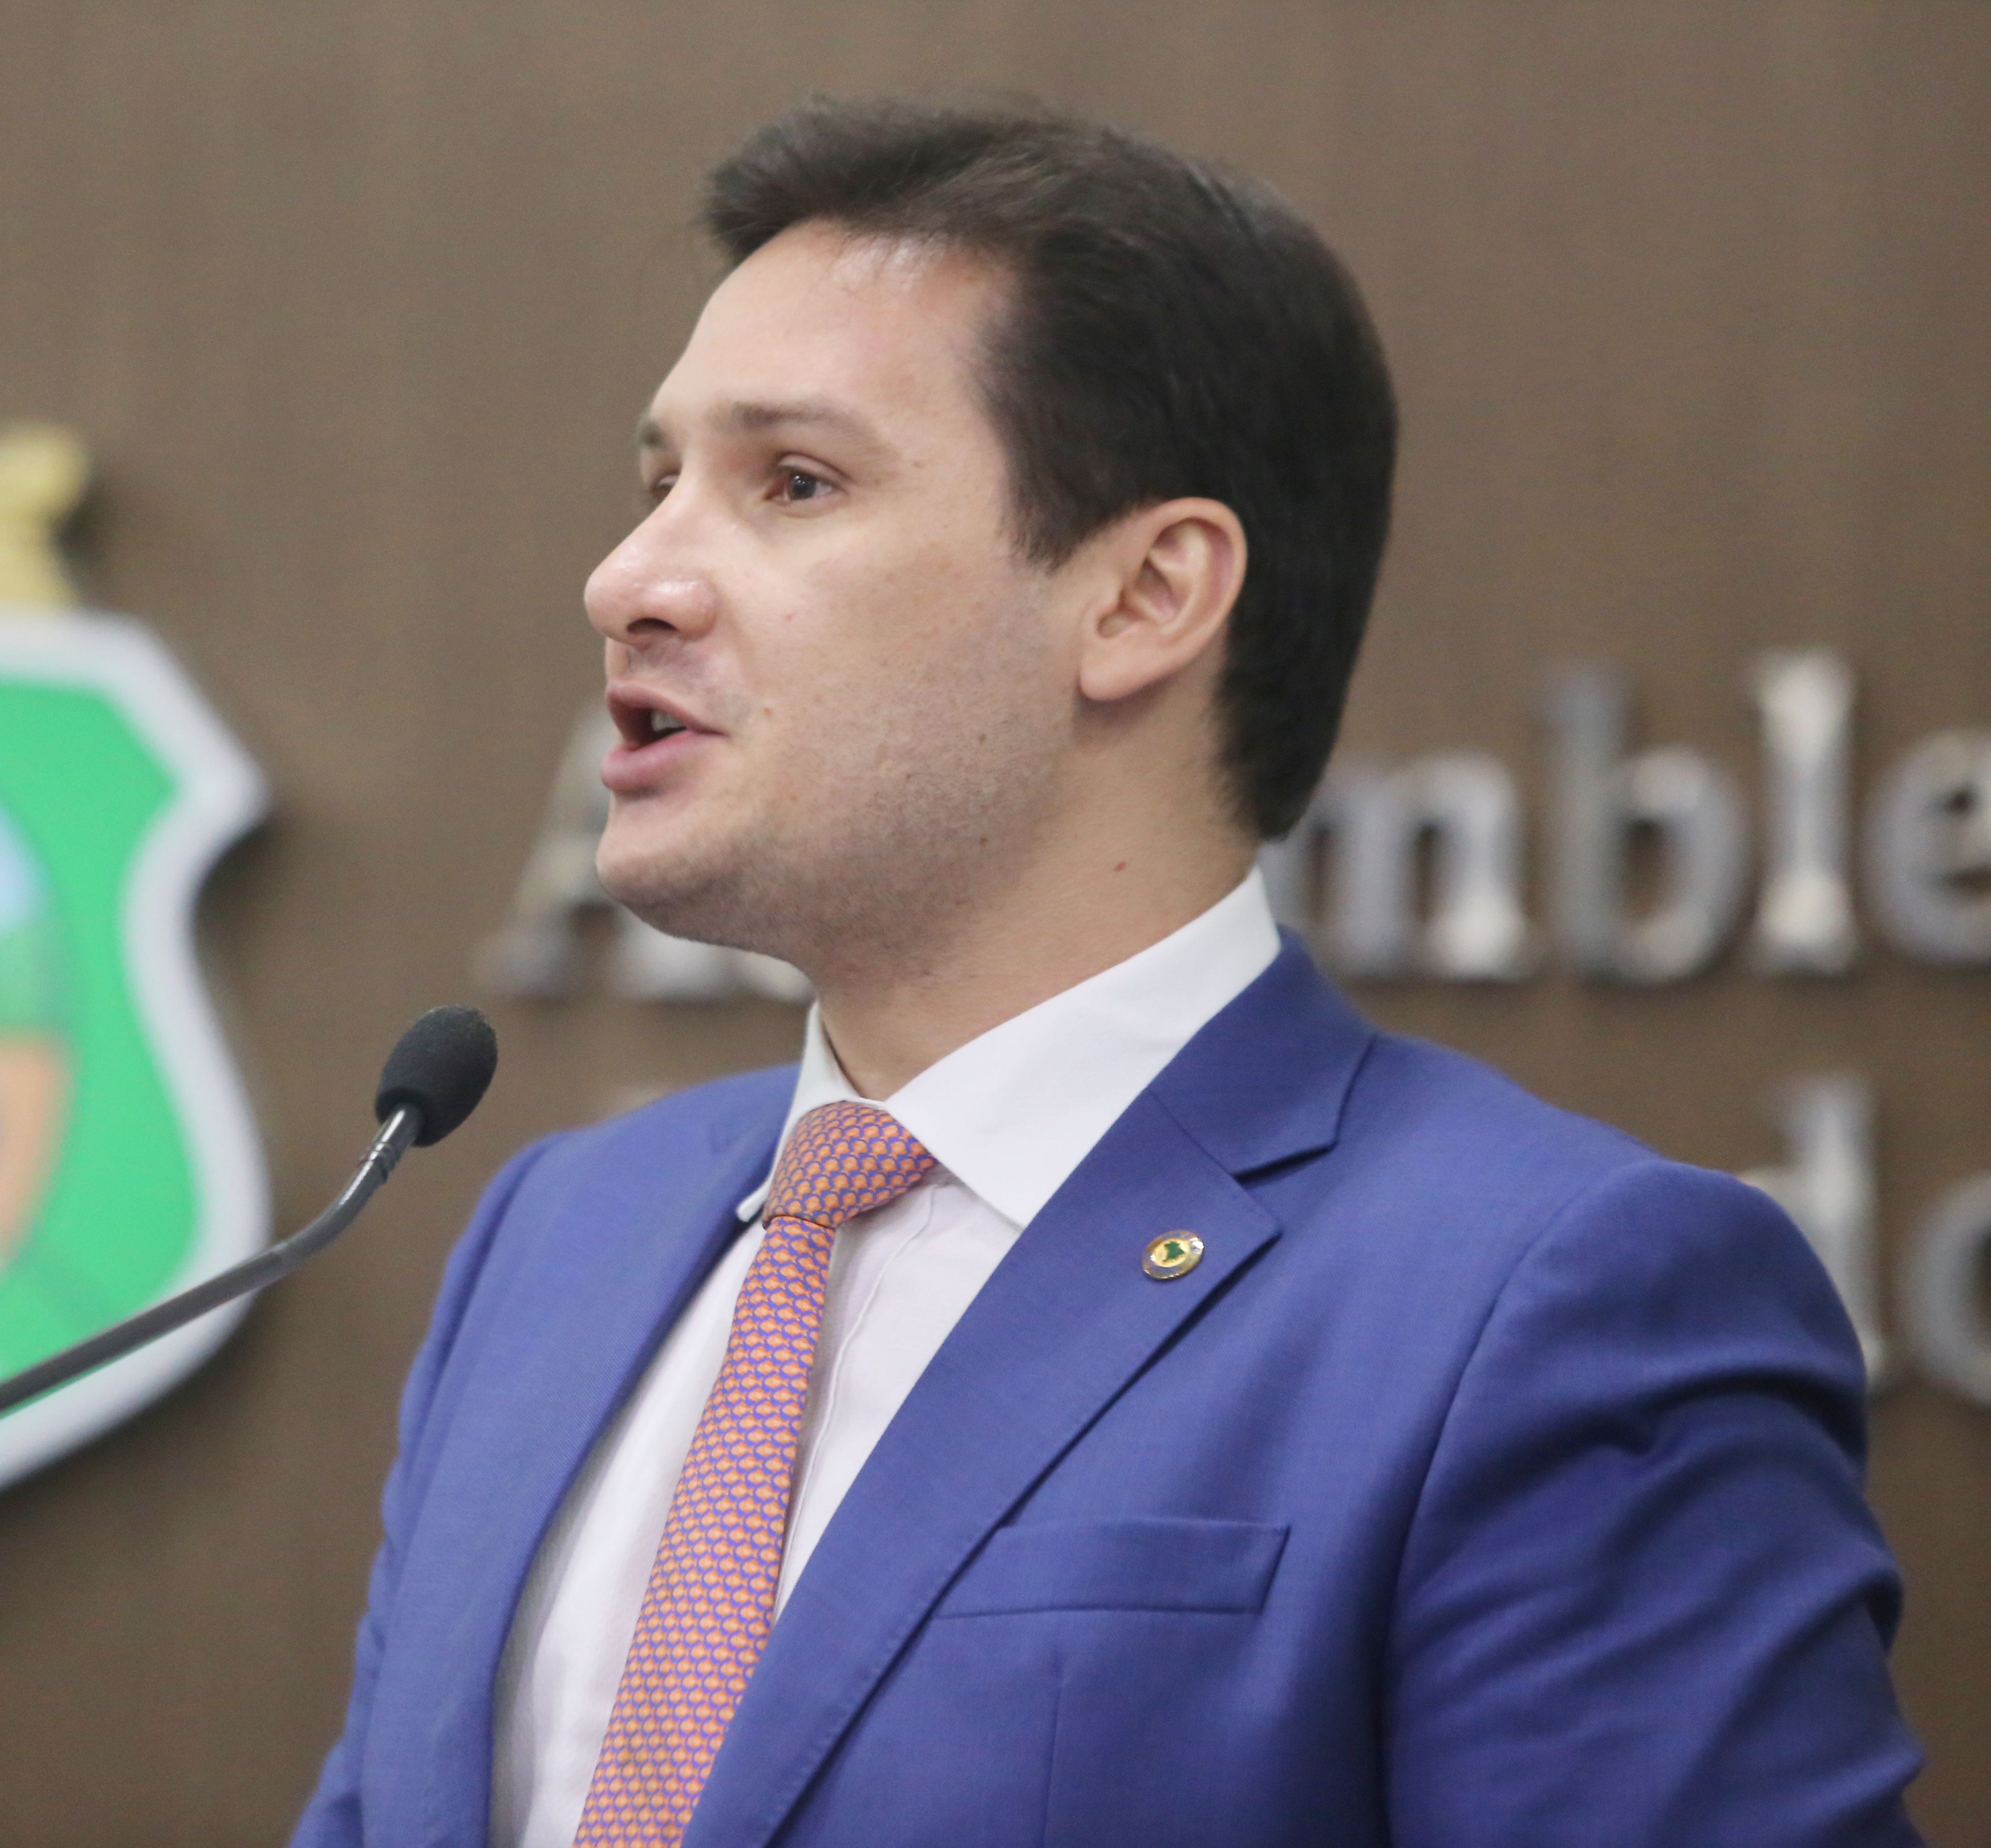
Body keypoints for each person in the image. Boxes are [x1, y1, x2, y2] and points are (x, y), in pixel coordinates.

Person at [292, 99, 1923, 1847]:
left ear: (1145, 597)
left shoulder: (1550, 1300)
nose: (629, 579)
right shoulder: (557, 1238)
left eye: (795, 483)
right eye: (655, 485)